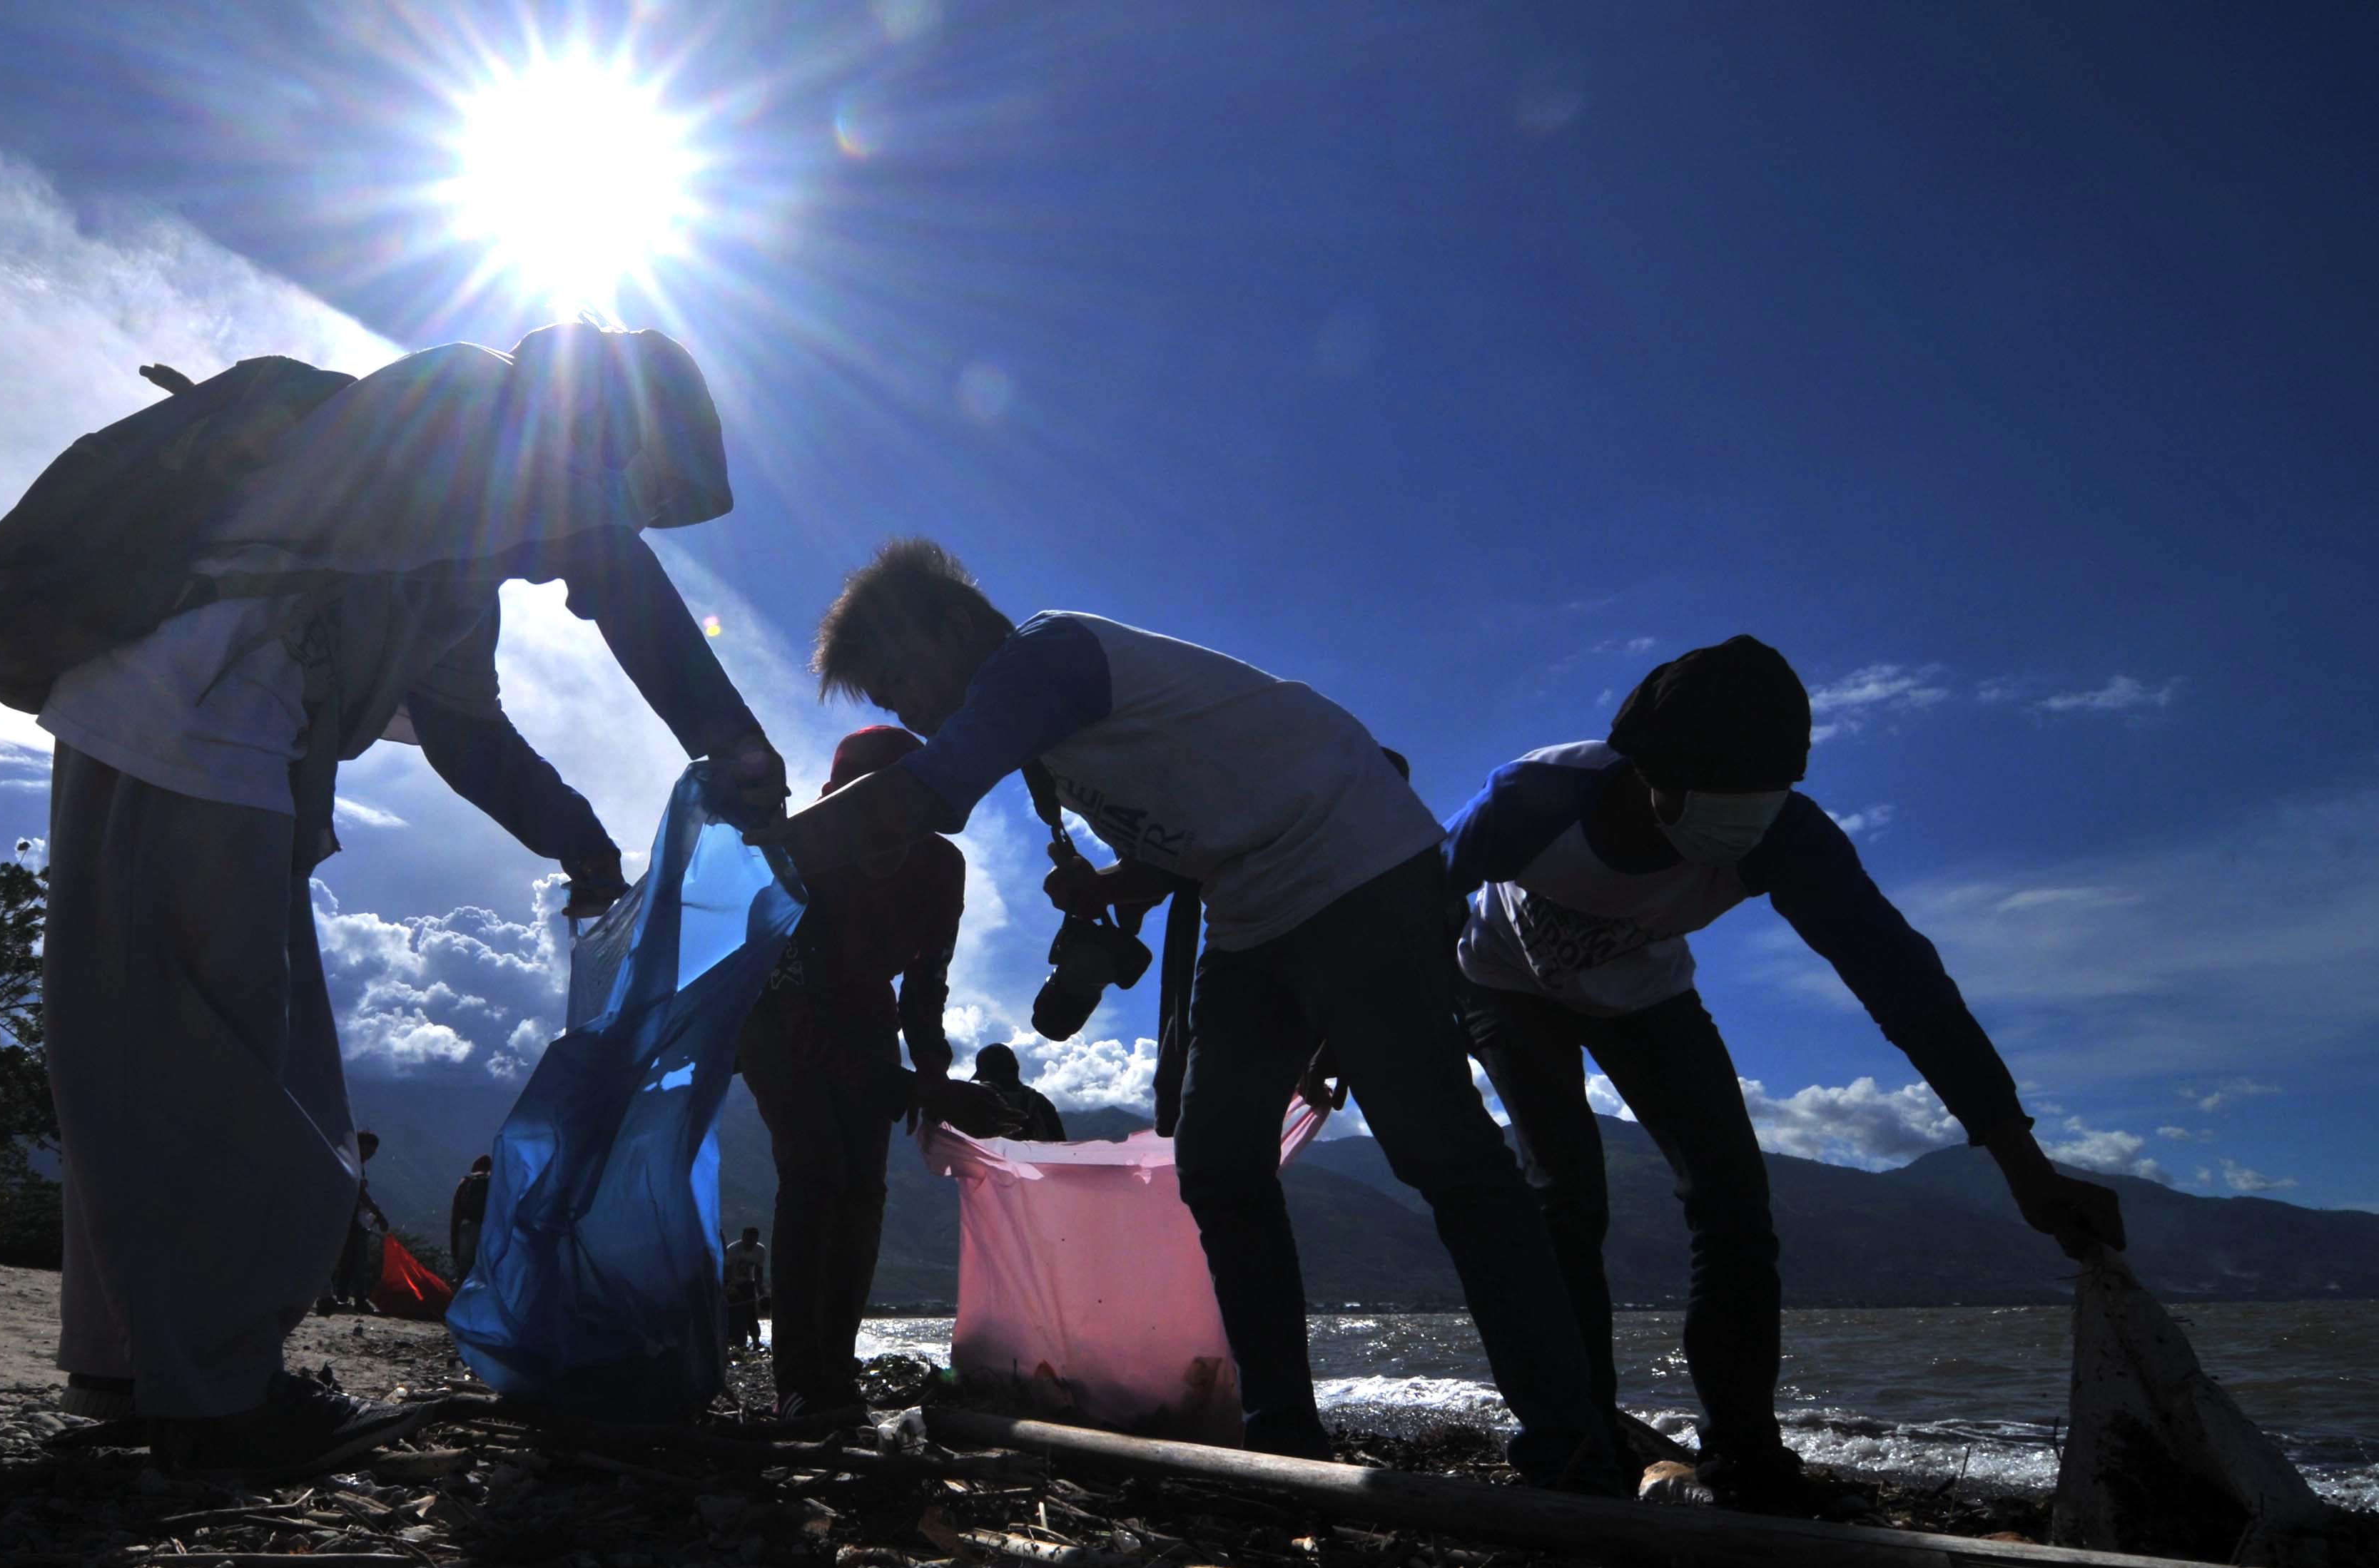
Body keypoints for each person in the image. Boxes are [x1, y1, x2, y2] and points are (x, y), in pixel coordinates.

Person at [39, 322, 787, 1475]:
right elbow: (616, 578)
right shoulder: (446, 408)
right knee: (220, 1060)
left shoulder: (445, 562)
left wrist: (581, 844)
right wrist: (729, 738)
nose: (600, 536)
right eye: (622, 491)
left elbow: (464, 735)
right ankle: (213, 1391)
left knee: (183, 1041)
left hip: (217, 750)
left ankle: (137, 1358)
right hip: (189, 727)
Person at [780, 539, 1625, 1491]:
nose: (914, 715)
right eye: (891, 708)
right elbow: (1194, 837)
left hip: (1357, 864)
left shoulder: (1043, 658)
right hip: (1251, 906)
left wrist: (761, 849)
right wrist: (1111, 882)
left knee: (1444, 1154)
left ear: (957, 627)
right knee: (1220, 1170)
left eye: (904, 685)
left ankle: (1571, 1439)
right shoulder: (1046, 737)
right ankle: (1282, 1443)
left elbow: (929, 794)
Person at [1445, 635, 2126, 1510]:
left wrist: (2023, 1166)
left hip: (1647, 998)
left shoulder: (1785, 838)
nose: (1737, 816)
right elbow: (1416, 903)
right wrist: (1369, 1035)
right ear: (1645, 767)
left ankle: (1746, 1456)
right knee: (1565, 1197)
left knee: (1732, 1202)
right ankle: (1572, 1443)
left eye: (1760, 792)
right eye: (1711, 790)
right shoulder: (1535, 799)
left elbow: (1904, 984)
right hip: (1503, 982)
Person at [739, 725, 964, 1417]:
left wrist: (929, 1072)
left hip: (867, 1018)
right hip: (773, 1010)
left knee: (864, 1190)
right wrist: (885, 1079)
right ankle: (800, 1381)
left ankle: (836, 1369)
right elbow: (787, 993)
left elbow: (925, 983)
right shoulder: (803, 855)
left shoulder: (939, 869)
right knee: (815, 1170)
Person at [331, 1130, 388, 1315]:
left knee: (347, 1260)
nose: (372, 1155)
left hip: (345, 1217)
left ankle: (342, 1296)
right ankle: (359, 1300)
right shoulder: (355, 1164)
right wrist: (378, 1213)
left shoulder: (350, 1161)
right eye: (370, 1150)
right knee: (358, 1260)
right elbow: (360, 1193)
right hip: (353, 1219)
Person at [970, 1042, 1067, 1141]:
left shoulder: (976, 1103)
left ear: (986, 1074)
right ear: (1016, 1069)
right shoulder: (1041, 1103)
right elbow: (1062, 1148)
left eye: (982, 1078)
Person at [722, 1226, 769, 1351]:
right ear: (743, 1238)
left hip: (748, 1284)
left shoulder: (760, 1250)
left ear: (757, 1239)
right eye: (748, 1240)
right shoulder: (733, 1250)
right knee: (736, 1314)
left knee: (751, 1314)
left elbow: (758, 1272)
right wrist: (730, 1287)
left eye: (753, 1240)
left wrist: (760, 1291)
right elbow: (726, 1271)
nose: (750, 1243)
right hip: (732, 1284)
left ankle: (756, 1341)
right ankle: (736, 1343)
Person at [450, 1154, 492, 1281]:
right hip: (487, 1230)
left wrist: (454, 1250)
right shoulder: (493, 1185)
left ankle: (462, 1296)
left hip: (467, 1228)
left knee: (465, 1272)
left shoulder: (466, 1183)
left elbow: (456, 1215)